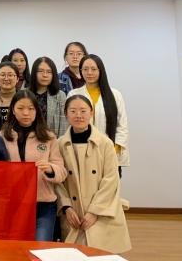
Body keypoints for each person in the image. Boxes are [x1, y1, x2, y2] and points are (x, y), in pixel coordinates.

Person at [56, 95, 131, 253]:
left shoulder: (105, 143)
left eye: (83, 111)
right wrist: (66, 207)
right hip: (74, 215)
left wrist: (94, 211)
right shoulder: (60, 144)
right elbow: (58, 182)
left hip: (101, 213)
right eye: (73, 111)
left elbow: (111, 179)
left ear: (91, 112)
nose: (78, 115)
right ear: (66, 114)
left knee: (101, 254)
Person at [0, 90, 66, 241]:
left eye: (30, 108)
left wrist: (50, 169)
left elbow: (62, 172)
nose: (26, 113)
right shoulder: (3, 136)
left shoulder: (48, 137)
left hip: (43, 204)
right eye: (20, 108)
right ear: (13, 110)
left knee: (40, 246)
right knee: (15, 248)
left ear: (37, 111)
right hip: (14, 204)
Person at [68, 54, 129, 169]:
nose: (89, 73)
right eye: (85, 69)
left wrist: (113, 150)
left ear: (100, 71)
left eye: (93, 69)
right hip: (82, 152)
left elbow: (122, 126)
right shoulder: (74, 94)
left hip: (110, 153)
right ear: (81, 71)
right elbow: (70, 124)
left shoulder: (115, 94)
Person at [29, 57, 68, 138]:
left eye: (49, 72)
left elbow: (63, 126)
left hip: (52, 141)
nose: (45, 75)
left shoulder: (60, 96)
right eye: (40, 71)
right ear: (34, 73)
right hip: (28, 140)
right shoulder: (25, 94)